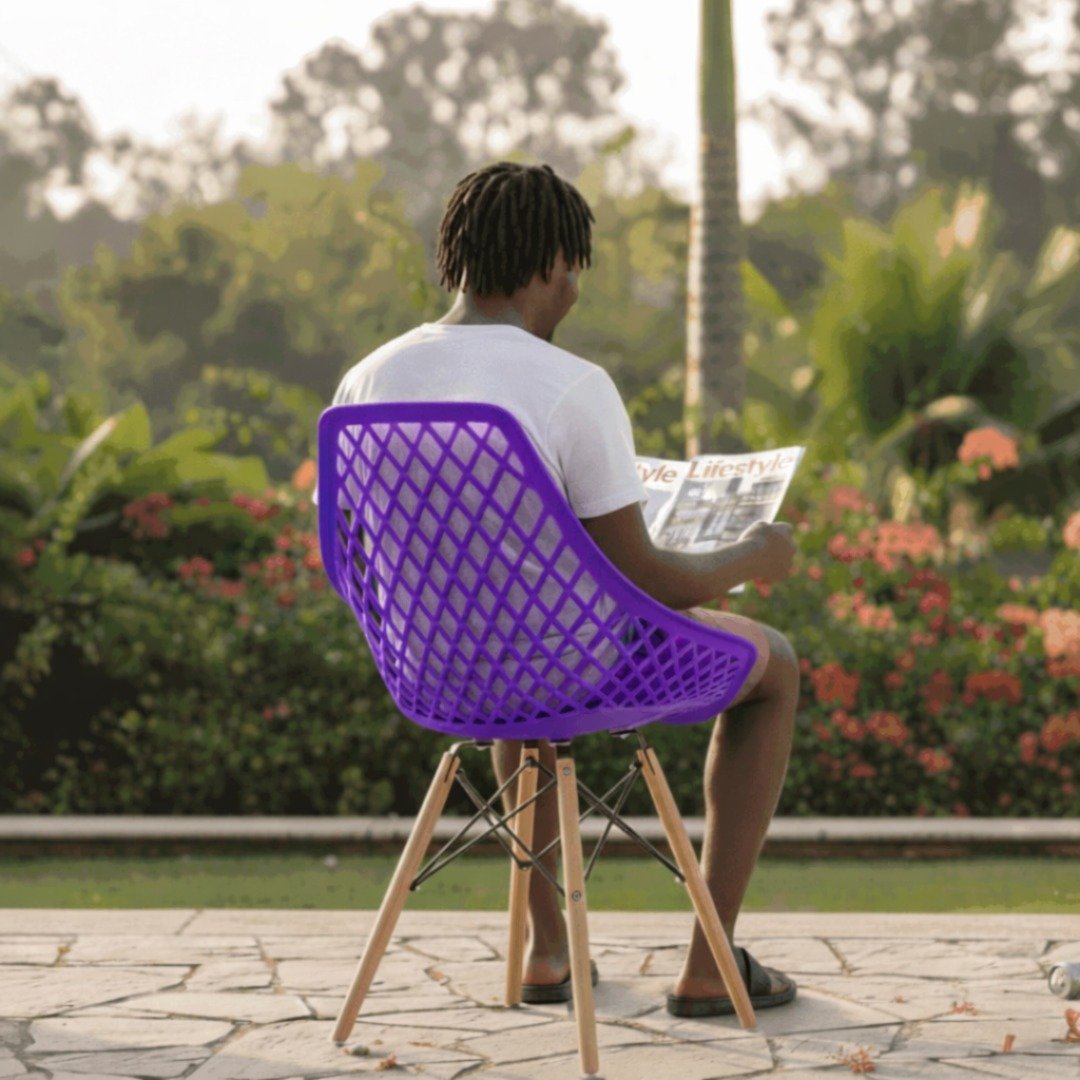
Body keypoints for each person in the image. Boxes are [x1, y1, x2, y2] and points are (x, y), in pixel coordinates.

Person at [325, 160, 800, 1017]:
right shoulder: (571, 385)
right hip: (577, 670)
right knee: (778, 668)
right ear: (551, 263)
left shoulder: (368, 380)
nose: (575, 285)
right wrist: (747, 556)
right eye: (575, 265)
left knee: (520, 663)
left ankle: (550, 952)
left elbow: (350, 547)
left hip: (436, 672)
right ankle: (706, 965)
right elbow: (649, 578)